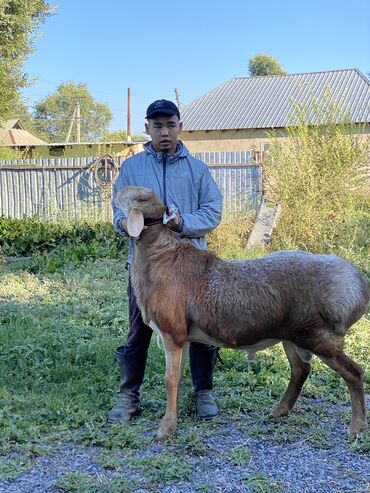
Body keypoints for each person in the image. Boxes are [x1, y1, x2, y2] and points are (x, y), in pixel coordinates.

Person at [109, 99, 223, 423]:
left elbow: (213, 211)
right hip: (145, 268)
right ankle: (129, 396)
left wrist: (182, 222)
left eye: (170, 125)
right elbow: (118, 207)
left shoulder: (197, 169)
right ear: (147, 128)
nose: (165, 132)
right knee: (139, 328)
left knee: (203, 326)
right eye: (157, 126)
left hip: (191, 266)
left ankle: (204, 392)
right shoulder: (132, 168)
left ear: (179, 126)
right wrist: (123, 224)